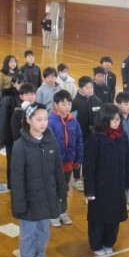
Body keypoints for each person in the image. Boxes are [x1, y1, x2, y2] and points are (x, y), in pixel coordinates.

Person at [11, 103, 67, 257]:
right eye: (39, 119)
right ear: (28, 120)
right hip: (30, 199)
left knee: (43, 231)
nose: (43, 123)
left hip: (47, 197)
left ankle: (40, 256)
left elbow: (58, 169)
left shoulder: (51, 141)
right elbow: (17, 178)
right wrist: (19, 204)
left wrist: (61, 192)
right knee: (28, 232)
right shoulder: (20, 146)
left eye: (45, 119)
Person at [83, 104, 129, 256]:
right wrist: (89, 191)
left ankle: (109, 242)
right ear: (105, 120)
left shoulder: (122, 136)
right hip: (100, 186)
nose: (117, 123)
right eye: (113, 120)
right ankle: (96, 244)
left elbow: (127, 161)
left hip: (117, 185)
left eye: (118, 119)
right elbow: (89, 167)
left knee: (114, 217)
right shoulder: (95, 138)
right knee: (99, 217)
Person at [48, 90, 83, 227]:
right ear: (56, 105)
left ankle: (62, 211)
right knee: (55, 188)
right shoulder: (50, 122)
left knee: (64, 188)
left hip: (69, 162)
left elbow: (79, 141)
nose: (67, 107)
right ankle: (53, 213)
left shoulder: (74, 121)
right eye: (63, 104)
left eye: (69, 104)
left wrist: (78, 159)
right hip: (55, 164)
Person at [0, 77, 30, 187]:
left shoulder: (27, 101)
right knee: (12, 162)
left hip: (23, 139)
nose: (22, 84)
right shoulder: (8, 99)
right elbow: (3, 120)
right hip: (11, 137)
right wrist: (3, 139)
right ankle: (12, 185)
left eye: (24, 82)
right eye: (19, 82)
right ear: (13, 84)